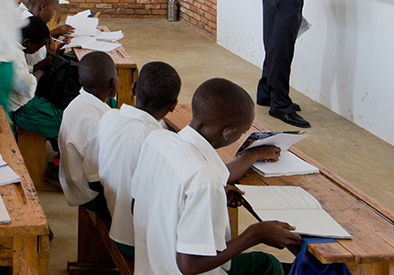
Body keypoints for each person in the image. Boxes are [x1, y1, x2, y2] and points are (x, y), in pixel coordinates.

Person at [131, 78, 300, 275]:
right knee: (268, 264)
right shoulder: (204, 180)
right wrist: (255, 234)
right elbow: (189, 267)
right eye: (242, 132)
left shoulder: (157, 139)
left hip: (151, 265)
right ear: (228, 132)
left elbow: (138, 206)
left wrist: (210, 200)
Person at [98, 61, 182, 260]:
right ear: (173, 106)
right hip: (138, 241)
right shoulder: (158, 141)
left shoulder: (109, 117)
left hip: (114, 216)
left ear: (134, 88)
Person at [59, 50, 117, 216]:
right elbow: (97, 182)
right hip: (90, 194)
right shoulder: (96, 123)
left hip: (75, 180)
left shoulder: (78, 102)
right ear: (113, 82)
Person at [10, 19, 64, 145]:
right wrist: (37, 75)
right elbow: (24, 85)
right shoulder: (15, 54)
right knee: (63, 122)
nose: (37, 50)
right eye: (38, 47)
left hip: (22, 102)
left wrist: (38, 65)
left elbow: (19, 72)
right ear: (27, 42)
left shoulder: (12, 44)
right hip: (23, 110)